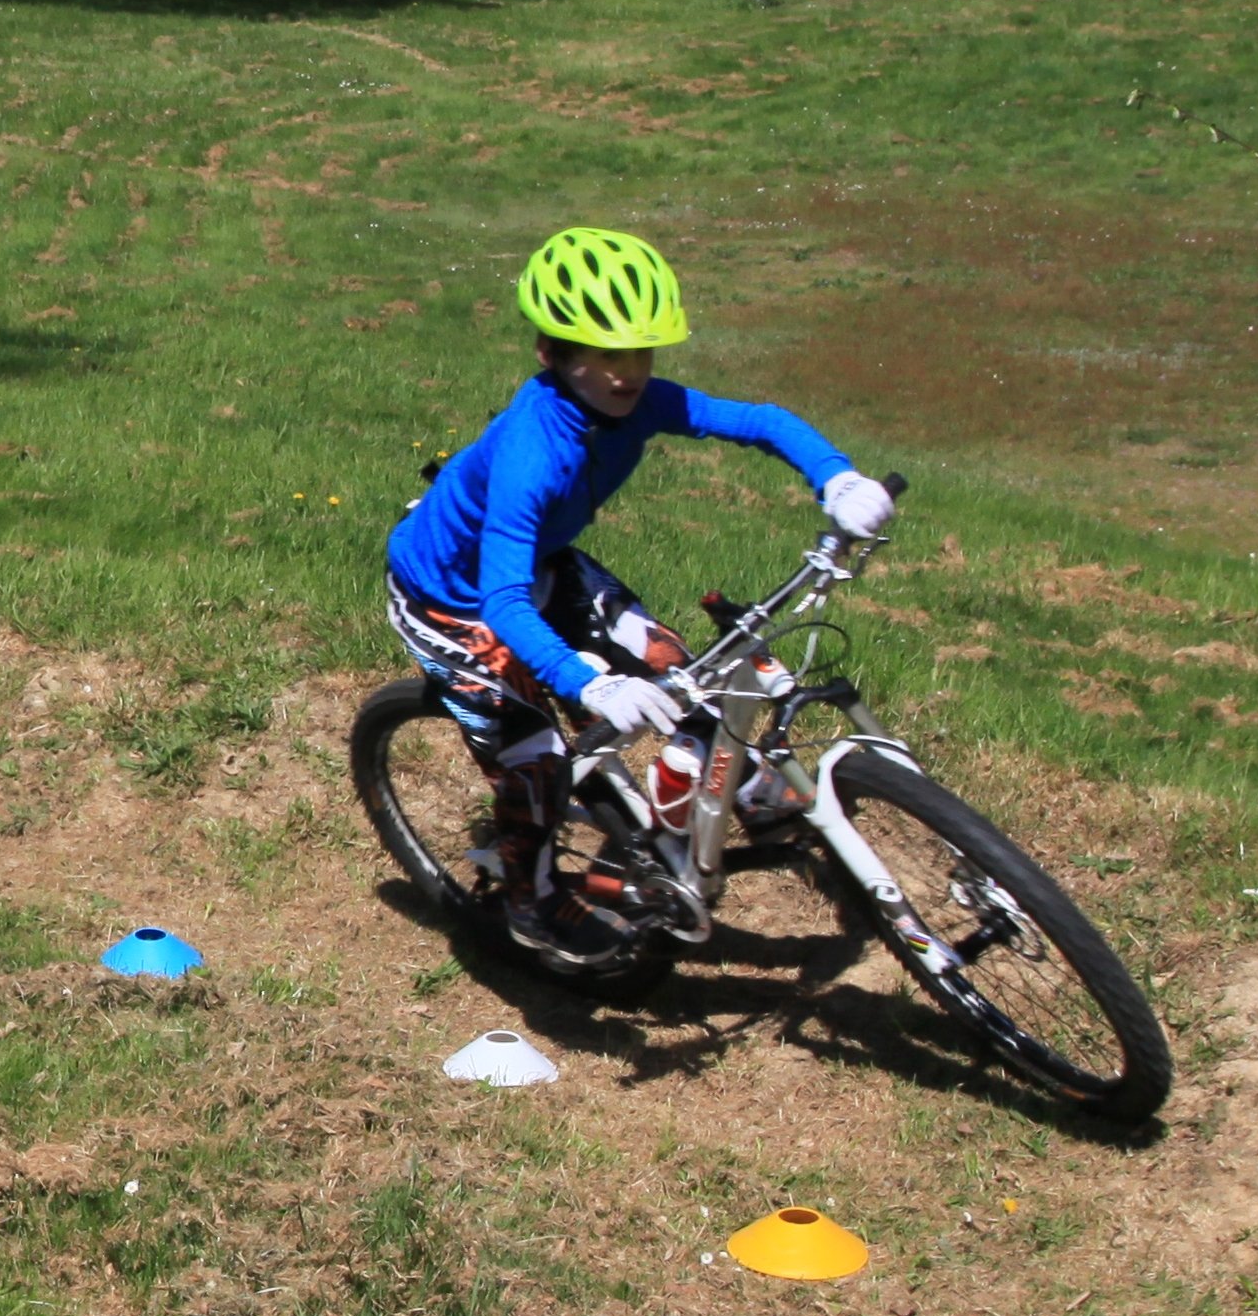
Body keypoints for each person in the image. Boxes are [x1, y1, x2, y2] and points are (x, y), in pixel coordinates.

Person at [381, 227, 890, 954]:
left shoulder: (641, 401)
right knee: (535, 761)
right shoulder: (534, 450)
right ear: (551, 355)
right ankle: (532, 898)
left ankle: (737, 796)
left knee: (684, 675)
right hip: (450, 596)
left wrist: (835, 476)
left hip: (541, 563)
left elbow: (760, 420)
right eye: (604, 354)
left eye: (642, 352)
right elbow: (501, 604)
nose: (628, 374)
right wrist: (588, 687)